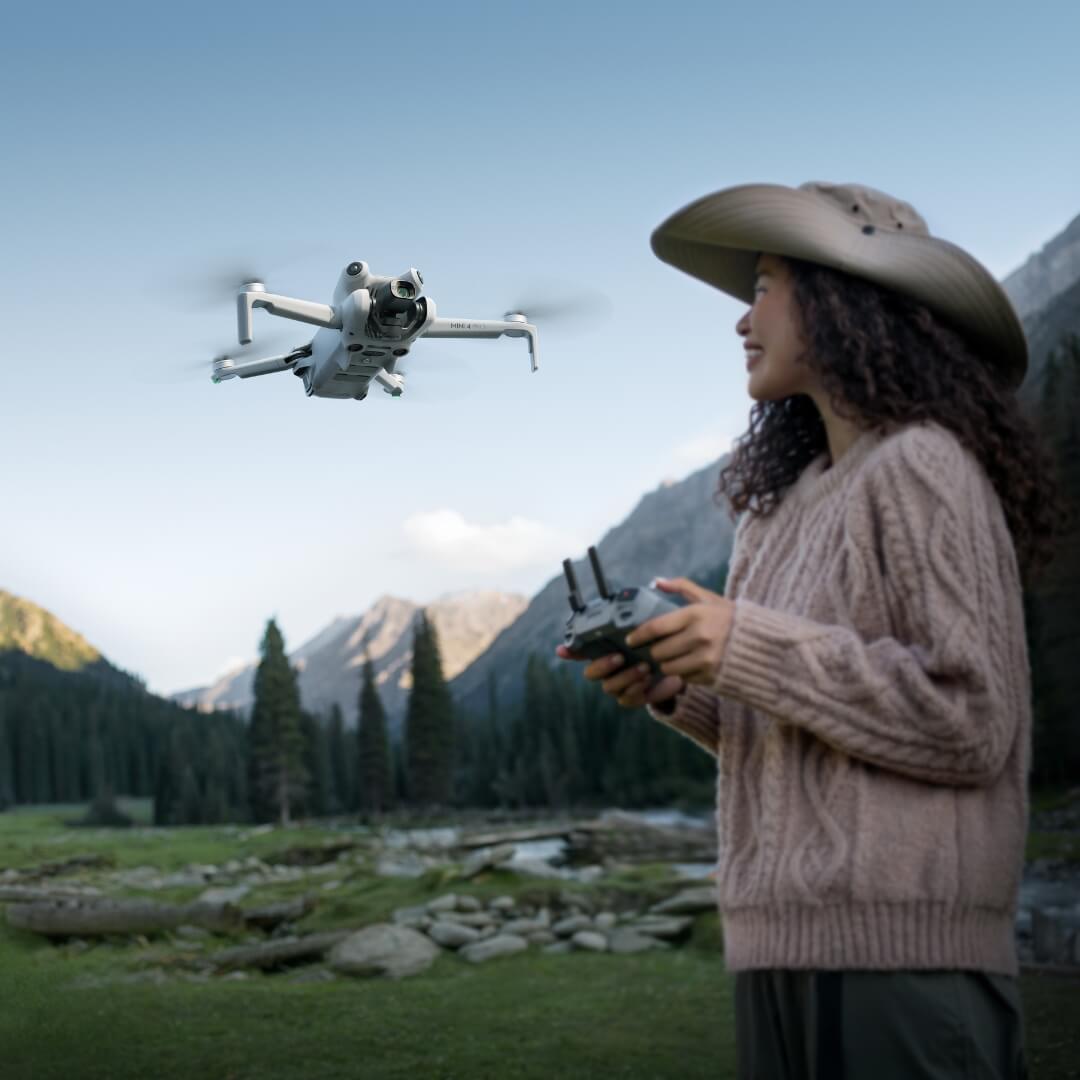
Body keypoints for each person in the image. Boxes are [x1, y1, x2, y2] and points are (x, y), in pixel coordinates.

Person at [557, 181, 1066, 1079]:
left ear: (840, 298)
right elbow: (801, 721)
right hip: (773, 948)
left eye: (762, 287)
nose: (740, 322)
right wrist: (682, 689)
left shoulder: (922, 465)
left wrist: (745, 646)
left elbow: (971, 720)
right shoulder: (774, 517)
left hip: (905, 965)